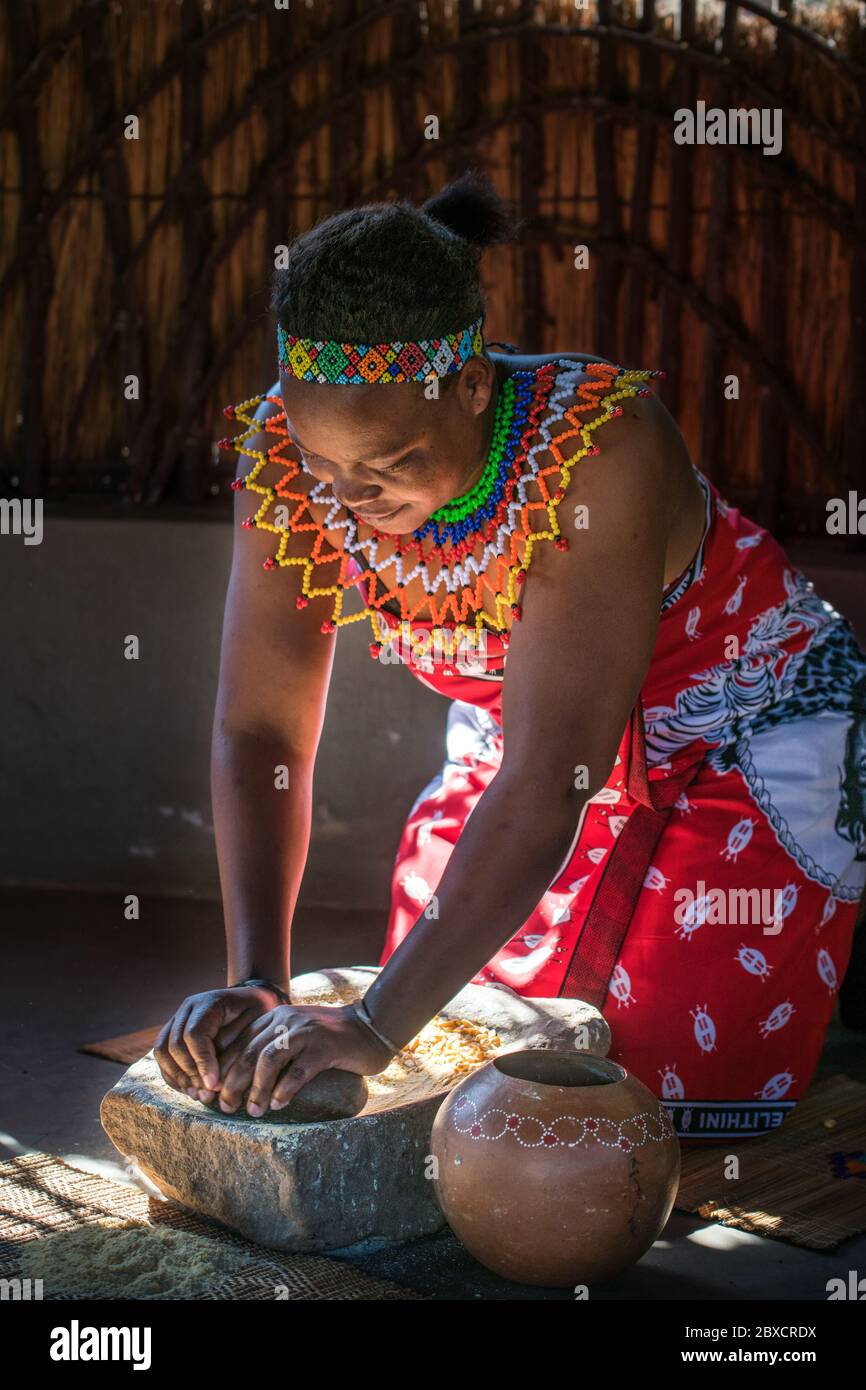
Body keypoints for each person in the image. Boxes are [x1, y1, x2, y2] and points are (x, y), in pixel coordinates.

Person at [155, 171, 866, 1142]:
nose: (350, 498)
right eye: (328, 468)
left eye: (392, 462)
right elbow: (260, 726)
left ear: (472, 383)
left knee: (617, 1097)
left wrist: (368, 1025)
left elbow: (547, 782)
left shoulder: (594, 452)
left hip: (737, 726)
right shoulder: (286, 460)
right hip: (528, 739)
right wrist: (255, 979)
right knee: (459, 1066)